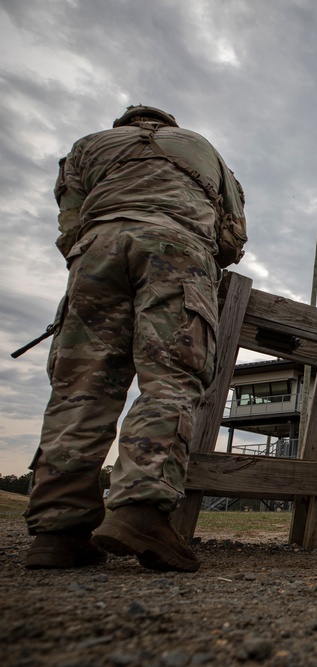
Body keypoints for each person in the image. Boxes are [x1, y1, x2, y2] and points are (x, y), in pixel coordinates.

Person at [24, 105, 247, 572]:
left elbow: (69, 221)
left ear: (123, 123)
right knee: (169, 378)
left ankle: (59, 531)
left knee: (79, 387)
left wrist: (93, 251)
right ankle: (140, 510)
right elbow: (232, 236)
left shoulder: (86, 146)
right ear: (170, 124)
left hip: (97, 250)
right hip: (176, 246)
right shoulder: (206, 151)